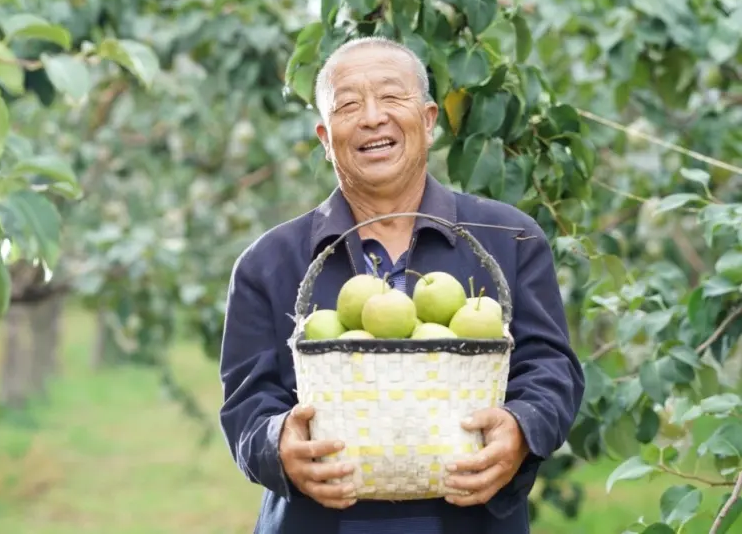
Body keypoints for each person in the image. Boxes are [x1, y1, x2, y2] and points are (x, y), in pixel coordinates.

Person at [218, 36, 585, 534]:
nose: (372, 117)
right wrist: (277, 443)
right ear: (325, 138)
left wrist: (521, 430)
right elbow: (246, 404)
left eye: (392, 98)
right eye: (349, 105)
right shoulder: (270, 262)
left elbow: (550, 367)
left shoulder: (510, 239)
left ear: (430, 120)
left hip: (469, 520)